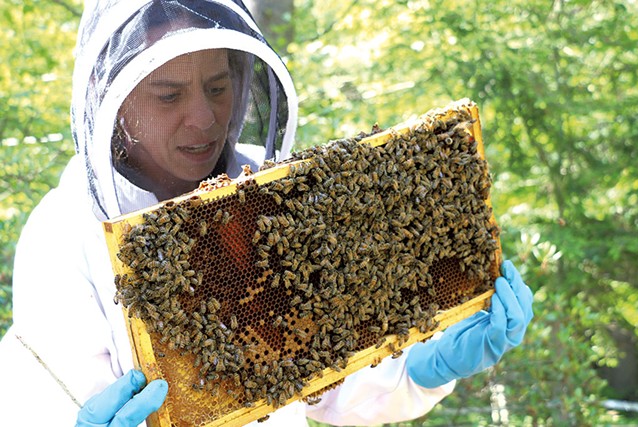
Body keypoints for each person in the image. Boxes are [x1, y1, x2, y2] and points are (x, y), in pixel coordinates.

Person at [0, 0, 534, 426]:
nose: (204, 118)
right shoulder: (62, 236)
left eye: (218, 86)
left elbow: (331, 380)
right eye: (168, 96)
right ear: (111, 99)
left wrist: (423, 365)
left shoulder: (268, 192)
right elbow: (49, 405)